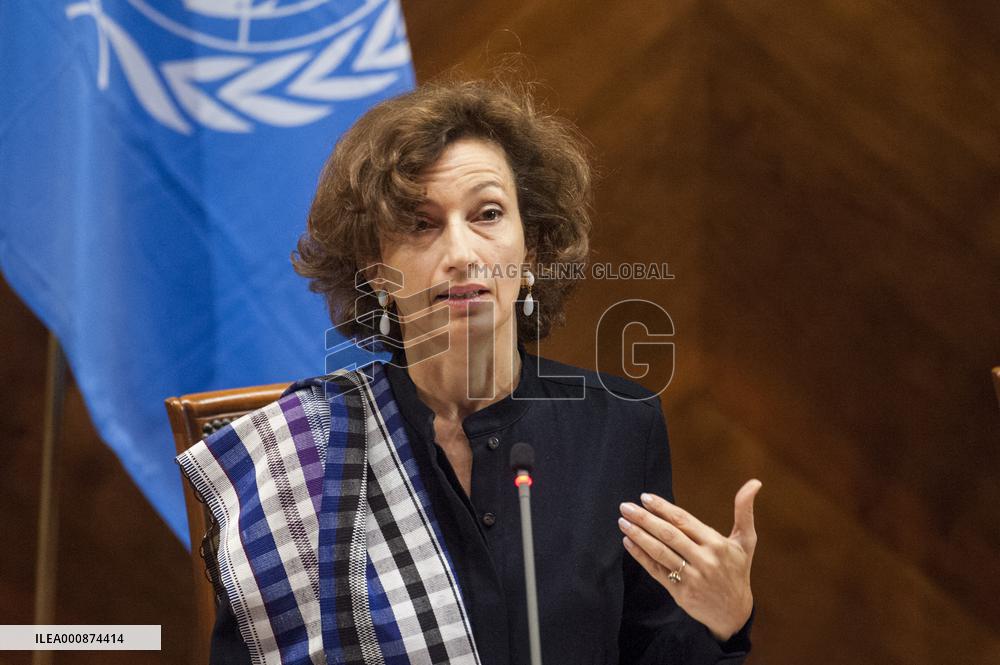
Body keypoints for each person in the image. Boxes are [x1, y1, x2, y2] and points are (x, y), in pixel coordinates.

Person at [177, 78, 760, 665]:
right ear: (376, 270)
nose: (462, 253)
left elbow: (649, 647)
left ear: (532, 250)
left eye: (487, 214)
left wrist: (722, 620)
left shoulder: (617, 426)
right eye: (420, 223)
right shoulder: (300, 457)